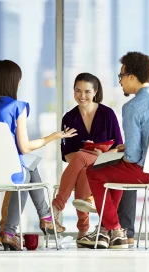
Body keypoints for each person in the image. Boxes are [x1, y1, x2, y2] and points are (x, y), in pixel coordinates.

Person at [77, 51, 149, 249]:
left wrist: (123, 153)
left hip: (147, 172)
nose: (120, 81)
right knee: (115, 174)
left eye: (121, 76)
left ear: (132, 77)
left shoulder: (133, 106)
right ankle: (108, 230)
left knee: (94, 172)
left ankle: (115, 229)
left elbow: (133, 156)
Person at [0, 60, 76, 251]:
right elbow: (25, 147)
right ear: (13, 81)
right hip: (10, 173)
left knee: (30, 166)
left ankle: (42, 220)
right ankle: (28, 224)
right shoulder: (17, 107)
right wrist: (53, 136)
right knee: (27, 173)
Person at [51, 73, 123, 246]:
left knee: (82, 158)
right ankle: (83, 232)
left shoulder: (107, 114)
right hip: (82, 167)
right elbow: (67, 154)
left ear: (95, 92)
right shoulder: (69, 118)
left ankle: (56, 207)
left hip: (107, 164)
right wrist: (85, 155)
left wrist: (99, 155)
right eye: (78, 91)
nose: (82, 96)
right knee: (83, 167)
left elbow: (119, 147)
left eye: (87, 91)